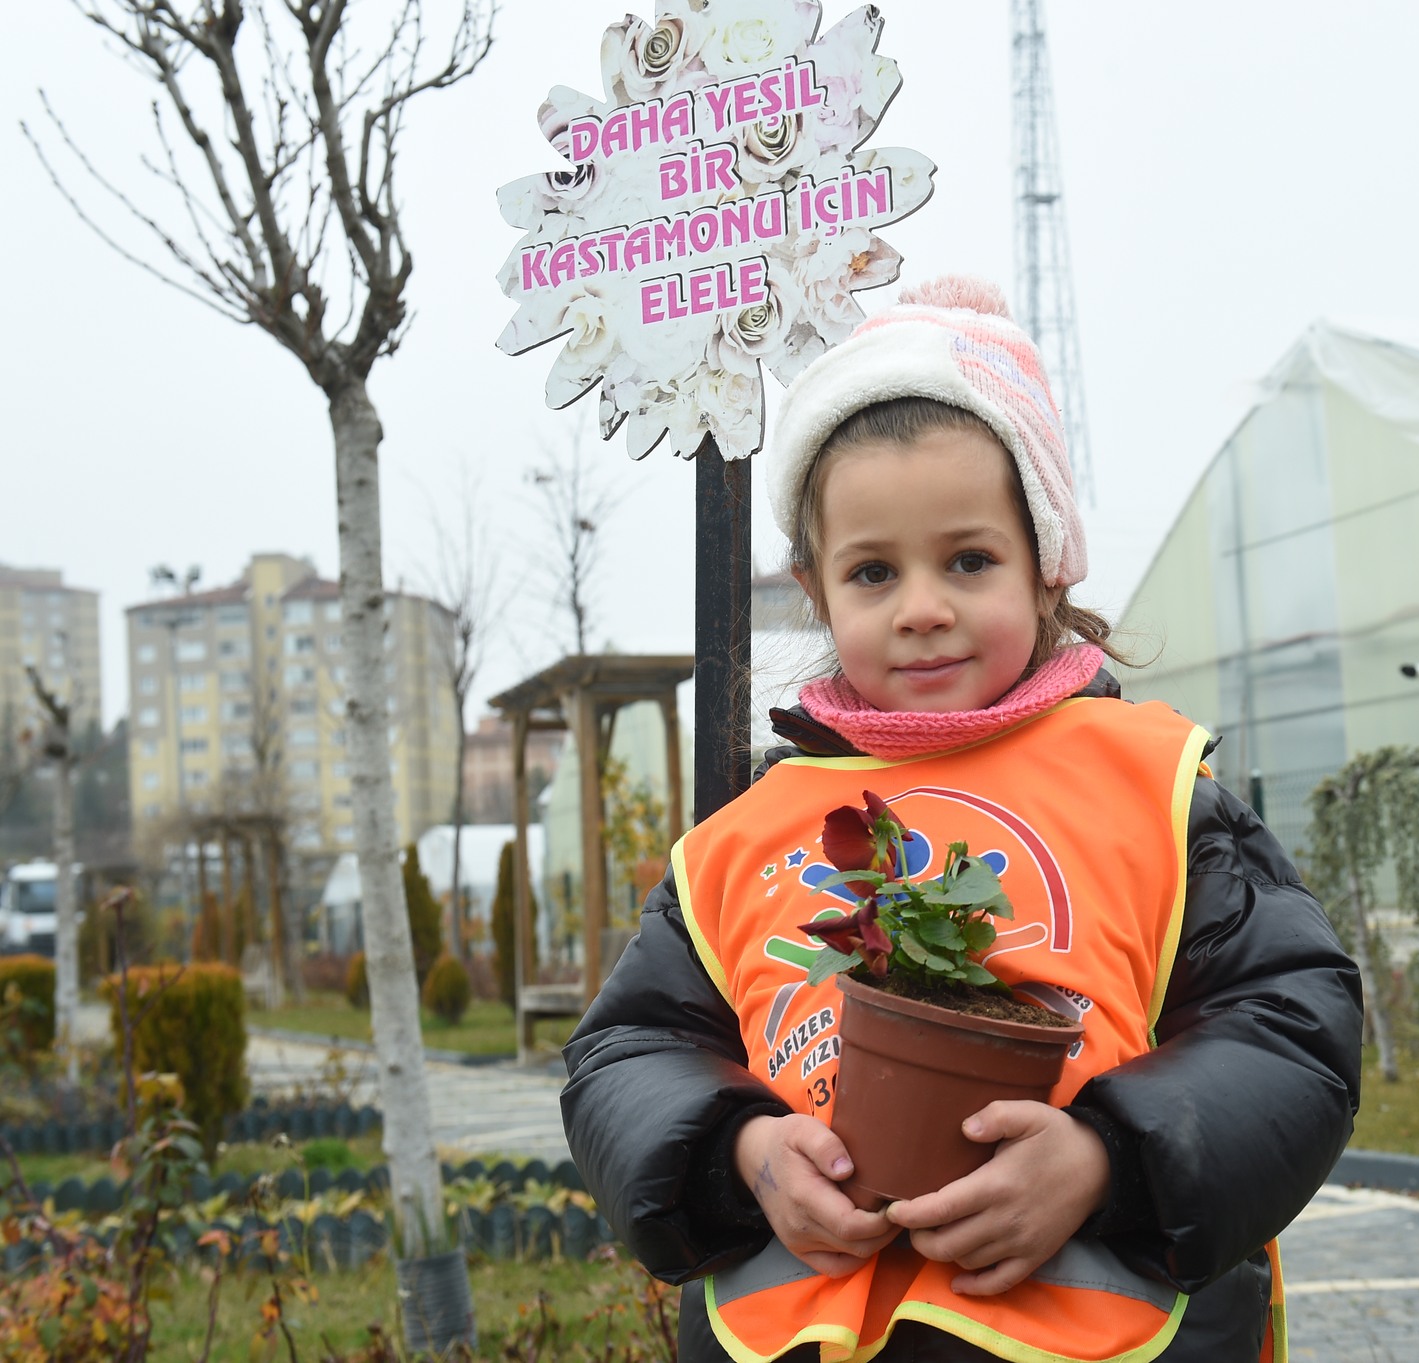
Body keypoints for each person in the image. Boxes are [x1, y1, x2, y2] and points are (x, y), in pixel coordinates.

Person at [561, 276, 1363, 1362]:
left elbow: (1289, 1026)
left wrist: (1104, 1160)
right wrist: (739, 1153)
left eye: (969, 560)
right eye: (872, 571)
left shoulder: (1157, 792)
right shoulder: (737, 842)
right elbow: (629, 1051)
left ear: (1047, 564)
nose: (923, 607)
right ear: (816, 588)